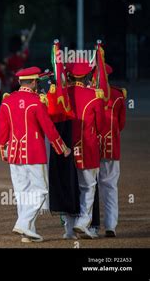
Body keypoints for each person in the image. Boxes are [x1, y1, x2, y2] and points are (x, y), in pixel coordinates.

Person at [0, 67, 71, 242]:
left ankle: (27, 232)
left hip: (14, 153)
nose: (38, 85)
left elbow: (2, 130)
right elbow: (48, 128)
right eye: (37, 82)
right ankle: (23, 223)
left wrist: (3, 150)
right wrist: (62, 147)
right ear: (32, 82)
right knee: (40, 190)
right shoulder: (36, 101)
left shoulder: (7, 101)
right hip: (34, 152)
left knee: (22, 193)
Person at [63, 62, 105, 239]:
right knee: (88, 186)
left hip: (65, 146)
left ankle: (68, 228)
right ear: (87, 75)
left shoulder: (62, 95)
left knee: (68, 187)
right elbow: (101, 126)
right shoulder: (94, 96)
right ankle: (83, 222)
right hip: (87, 146)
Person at [98, 63, 126, 238]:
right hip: (111, 146)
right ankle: (110, 225)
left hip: (89, 148)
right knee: (110, 187)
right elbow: (121, 125)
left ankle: (91, 225)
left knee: (88, 188)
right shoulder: (118, 95)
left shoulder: (88, 94)